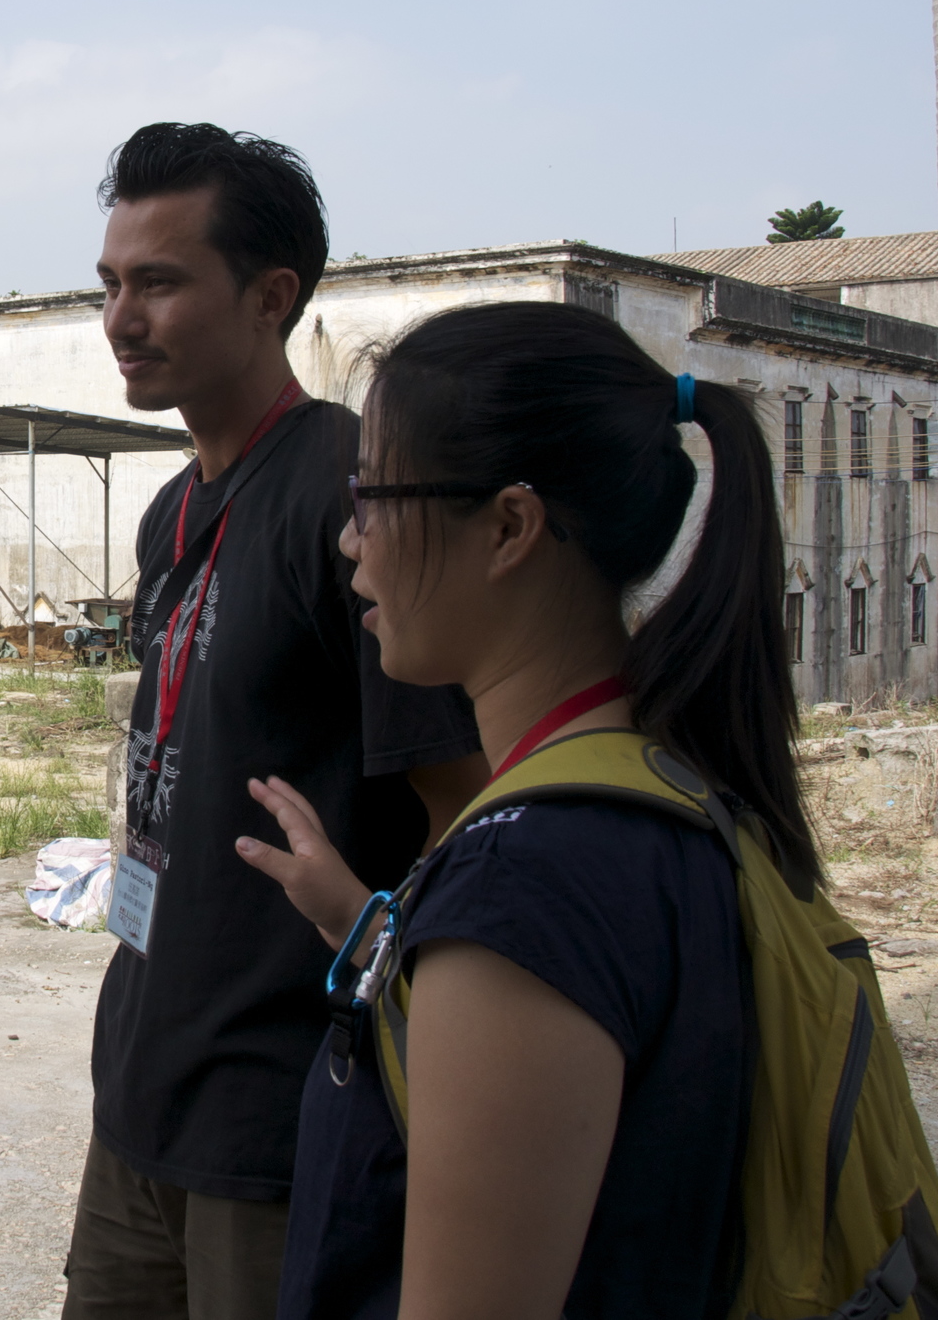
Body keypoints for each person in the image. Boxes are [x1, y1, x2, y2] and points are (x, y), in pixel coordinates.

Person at [243, 300, 800, 1317]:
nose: (347, 538)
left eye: (372, 495)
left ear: (507, 526)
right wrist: (361, 922)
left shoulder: (525, 884)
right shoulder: (657, 789)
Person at [69, 123, 485, 1320]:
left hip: (281, 1120)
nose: (119, 318)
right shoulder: (171, 512)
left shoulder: (351, 495)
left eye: (158, 282)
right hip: (142, 1093)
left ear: (270, 296)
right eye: (109, 284)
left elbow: (461, 806)